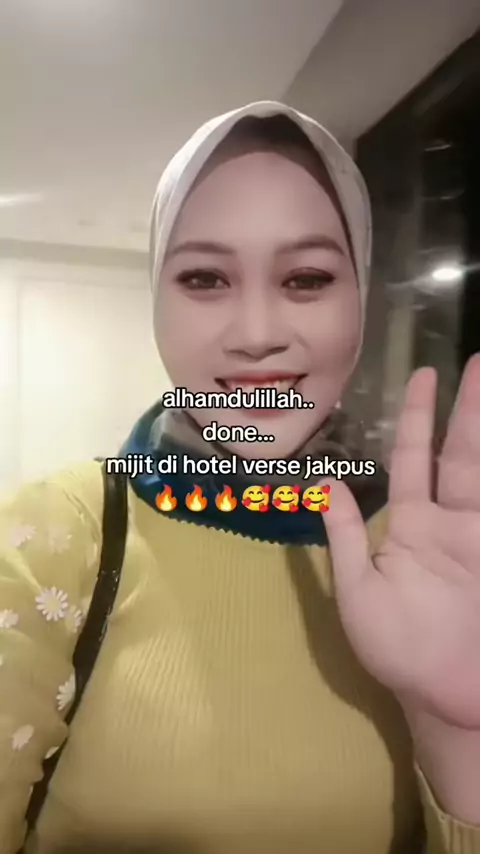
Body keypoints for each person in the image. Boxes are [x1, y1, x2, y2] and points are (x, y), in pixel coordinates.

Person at [0, 101, 479, 854]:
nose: (257, 335)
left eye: (307, 278)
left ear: (360, 298)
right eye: (204, 278)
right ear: (157, 301)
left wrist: (455, 734)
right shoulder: (57, 534)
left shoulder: (441, 564)